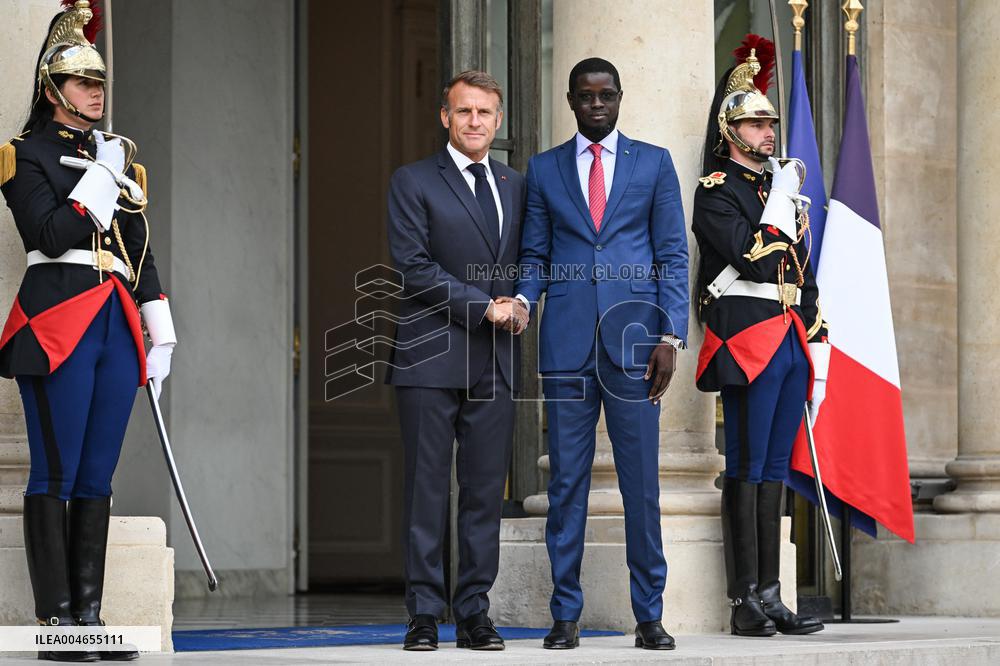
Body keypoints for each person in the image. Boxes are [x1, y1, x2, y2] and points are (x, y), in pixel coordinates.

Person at [0, 1, 175, 661]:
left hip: (113, 321)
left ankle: (90, 617)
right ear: (53, 90)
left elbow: (137, 248)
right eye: (82, 82)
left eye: (100, 82)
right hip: (55, 321)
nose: (96, 91)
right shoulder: (24, 156)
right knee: (56, 470)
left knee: (98, 475)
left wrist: (159, 322)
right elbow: (50, 233)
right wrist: (102, 177)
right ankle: (57, 625)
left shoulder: (120, 161)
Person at [512, 58, 688, 651]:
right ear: (569, 100)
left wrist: (670, 337)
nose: (596, 104)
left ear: (619, 98)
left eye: (606, 95)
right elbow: (535, 254)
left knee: (641, 486)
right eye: (585, 96)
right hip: (565, 344)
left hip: (636, 346)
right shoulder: (543, 169)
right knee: (566, 485)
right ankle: (565, 615)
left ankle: (650, 616)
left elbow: (671, 256)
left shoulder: (655, 164)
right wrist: (521, 302)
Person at [691, 35, 828, 637]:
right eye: (754, 124)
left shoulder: (778, 190)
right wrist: (779, 198)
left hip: (788, 336)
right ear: (729, 130)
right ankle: (742, 600)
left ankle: (771, 594)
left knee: (775, 467)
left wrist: (817, 329)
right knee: (746, 466)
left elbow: (798, 267)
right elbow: (751, 257)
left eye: (770, 123)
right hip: (745, 336)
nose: (768, 132)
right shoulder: (717, 191)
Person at [385, 70, 525, 652]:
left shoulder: (516, 185)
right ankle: (422, 612)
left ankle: (473, 611)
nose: (475, 122)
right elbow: (413, 266)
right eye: (464, 112)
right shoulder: (413, 180)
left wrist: (521, 300)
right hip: (429, 353)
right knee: (426, 487)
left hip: (495, 359)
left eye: (485, 113)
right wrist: (483, 308)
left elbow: (530, 255)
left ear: (497, 121)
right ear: (445, 116)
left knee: (484, 489)